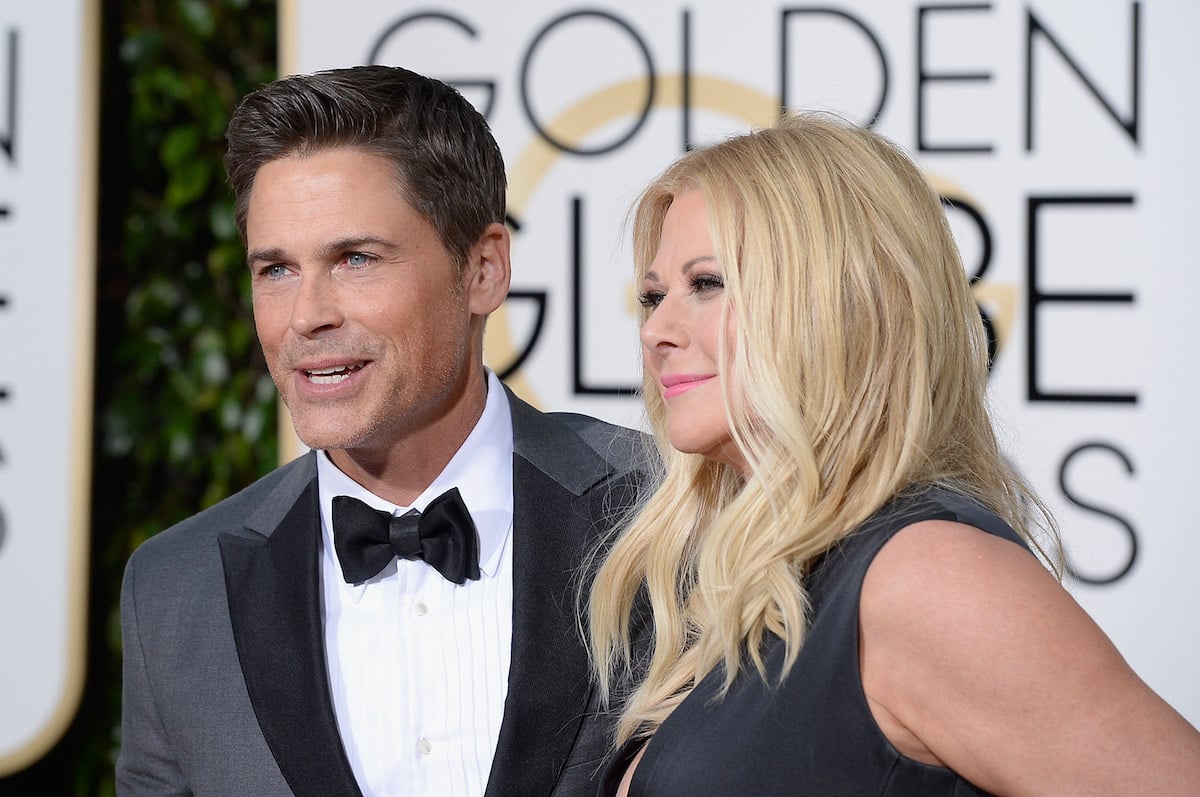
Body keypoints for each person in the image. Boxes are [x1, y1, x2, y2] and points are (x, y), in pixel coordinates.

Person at [588, 113, 1200, 795]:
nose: (656, 331)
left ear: (837, 299)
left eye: (707, 283)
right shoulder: (767, 582)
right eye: (652, 295)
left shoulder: (925, 576)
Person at [117, 65, 650, 797]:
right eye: (275, 270)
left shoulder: (664, 512)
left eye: (355, 259)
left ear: (485, 270)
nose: (306, 315)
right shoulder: (178, 591)